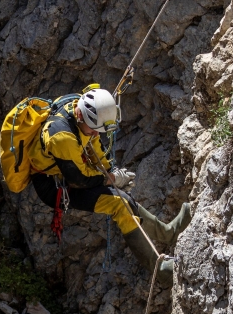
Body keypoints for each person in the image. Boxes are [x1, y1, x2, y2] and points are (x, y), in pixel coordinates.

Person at [30, 88, 190, 285]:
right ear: (80, 115)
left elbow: (93, 143)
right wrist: (112, 179)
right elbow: (79, 180)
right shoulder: (61, 137)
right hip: (55, 187)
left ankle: (168, 233)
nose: (96, 133)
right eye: (93, 129)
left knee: (125, 199)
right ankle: (160, 271)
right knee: (118, 204)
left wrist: (110, 170)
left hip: (68, 174)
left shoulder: (82, 116)